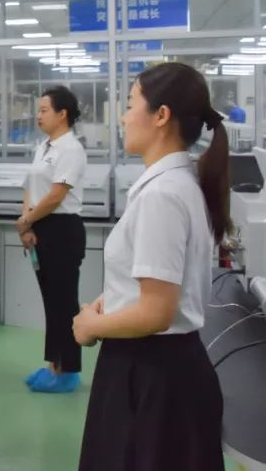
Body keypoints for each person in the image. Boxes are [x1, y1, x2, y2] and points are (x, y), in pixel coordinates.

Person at [74, 63, 225, 471]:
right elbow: (154, 284)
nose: (123, 117)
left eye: (129, 104)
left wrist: (91, 326)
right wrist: (112, 301)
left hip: (152, 375)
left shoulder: (163, 195)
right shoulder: (174, 184)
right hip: (157, 368)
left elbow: (157, 312)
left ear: (161, 116)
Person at [19, 86, 88, 393]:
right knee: (51, 302)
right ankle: (53, 365)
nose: (38, 115)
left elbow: (56, 196)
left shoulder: (71, 149)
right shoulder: (43, 147)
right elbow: (30, 187)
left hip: (62, 230)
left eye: (44, 110)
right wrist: (27, 224)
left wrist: (27, 220)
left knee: (64, 303)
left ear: (63, 114)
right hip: (41, 226)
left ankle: (68, 370)